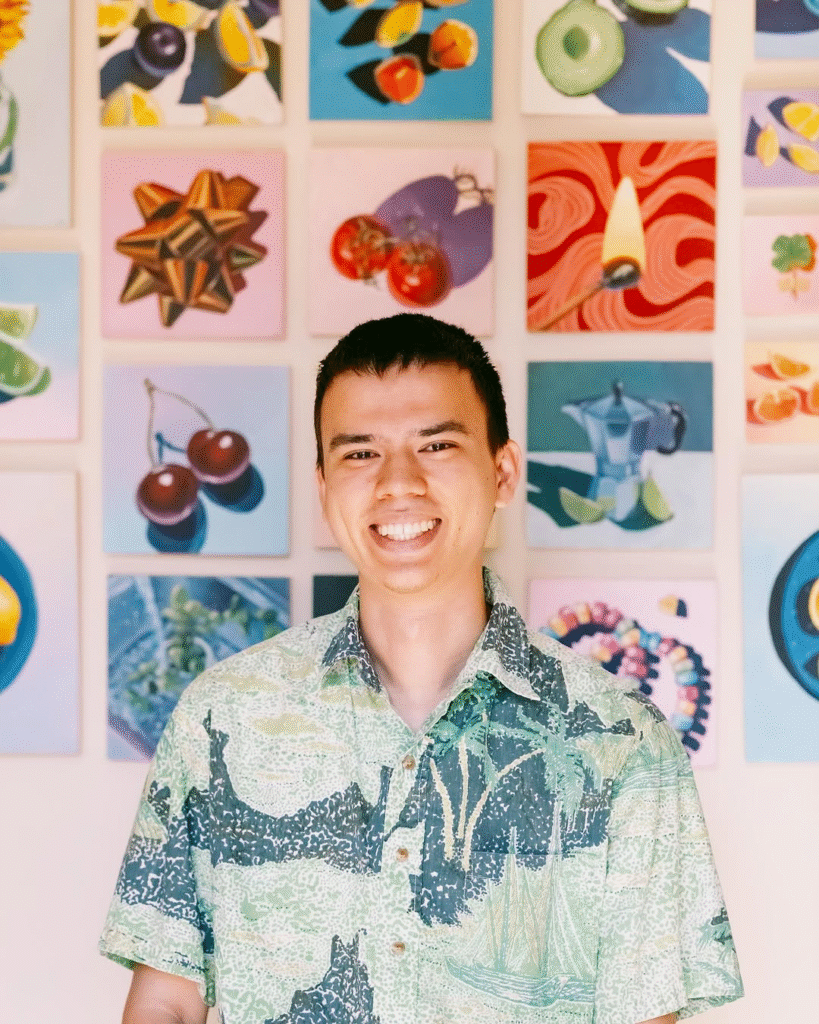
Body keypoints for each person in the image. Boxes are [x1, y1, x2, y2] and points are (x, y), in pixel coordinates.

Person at [100, 313, 743, 1024]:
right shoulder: (225, 716)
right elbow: (168, 1000)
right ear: (324, 486)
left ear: (502, 473)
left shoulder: (622, 740)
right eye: (360, 454)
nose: (397, 484)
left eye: (436, 445)